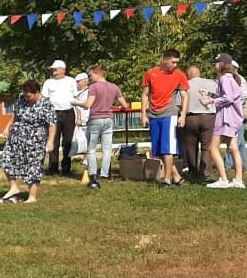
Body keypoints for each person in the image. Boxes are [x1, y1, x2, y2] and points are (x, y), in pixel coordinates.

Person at [0, 79, 55, 203]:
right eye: (25, 95)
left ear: (37, 92)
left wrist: (50, 141)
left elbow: (52, 124)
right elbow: (15, 114)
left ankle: (32, 196)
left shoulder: (46, 103)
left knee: (33, 166)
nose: (26, 98)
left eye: (29, 96)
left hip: (35, 139)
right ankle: (13, 188)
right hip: (17, 136)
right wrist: (7, 127)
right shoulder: (21, 98)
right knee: (7, 159)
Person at [140, 49, 190, 188]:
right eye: (173, 62)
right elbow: (145, 94)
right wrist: (143, 113)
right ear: (164, 59)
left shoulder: (179, 75)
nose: (175, 65)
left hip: (169, 114)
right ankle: (177, 177)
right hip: (153, 114)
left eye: (177, 63)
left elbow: (185, 96)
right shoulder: (151, 73)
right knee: (158, 150)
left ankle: (167, 180)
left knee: (167, 149)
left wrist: (183, 115)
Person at [73, 64, 128, 188]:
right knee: (107, 148)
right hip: (108, 119)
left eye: (91, 75)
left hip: (95, 119)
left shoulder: (94, 87)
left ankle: (93, 175)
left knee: (91, 149)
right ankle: (104, 173)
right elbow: (125, 105)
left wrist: (74, 102)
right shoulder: (114, 87)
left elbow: (88, 104)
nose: (90, 78)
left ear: (97, 74)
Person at [204, 53, 247, 189]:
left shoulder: (224, 78)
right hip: (233, 118)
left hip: (225, 118)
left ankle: (223, 179)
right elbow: (229, 96)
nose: (214, 66)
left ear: (223, 64)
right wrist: (210, 94)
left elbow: (228, 98)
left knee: (213, 148)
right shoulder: (232, 78)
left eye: (216, 63)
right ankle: (238, 180)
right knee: (233, 148)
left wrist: (211, 100)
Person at [177, 65, 217, 178]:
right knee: (206, 146)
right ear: (199, 73)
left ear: (188, 74)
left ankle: (192, 170)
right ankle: (205, 172)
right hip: (208, 117)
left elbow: (179, 104)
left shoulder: (185, 85)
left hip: (190, 118)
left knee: (190, 145)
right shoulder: (212, 83)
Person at [42, 59, 77, 176]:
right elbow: (44, 99)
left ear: (63, 70)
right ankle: (53, 168)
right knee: (53, 141)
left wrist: (79, 115)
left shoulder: (71, 81)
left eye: (55, 70)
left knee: (67, 141)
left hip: (69, 113)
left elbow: (75, 98)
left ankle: (66, 168)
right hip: (54, 114)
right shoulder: (48, 82)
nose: (54, 72)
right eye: (53, 70)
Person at [225, 61, 247, 173]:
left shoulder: (237, 79)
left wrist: (234, 106)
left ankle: (226, 164)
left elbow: (243, 96)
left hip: (239, 114)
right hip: (242, 113)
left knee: (233, 141)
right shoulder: (237, 78)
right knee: (240, 141)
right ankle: (245, 164)